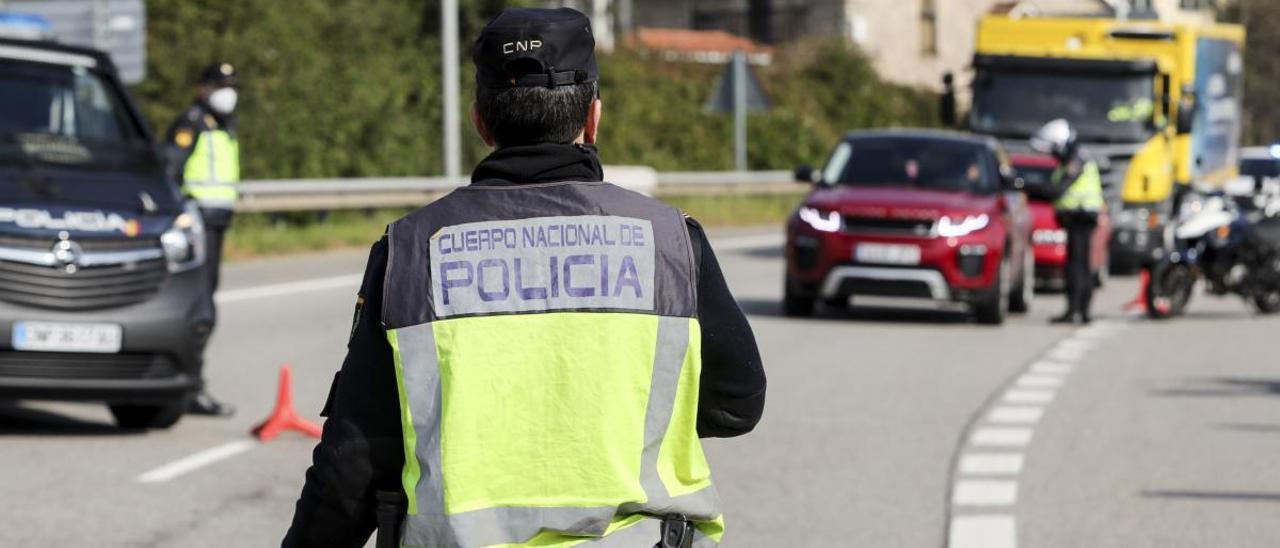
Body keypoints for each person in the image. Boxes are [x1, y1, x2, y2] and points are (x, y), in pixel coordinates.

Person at [283, 8, 766, 548]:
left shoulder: (412, 250)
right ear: (593, 117)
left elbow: (356, 457)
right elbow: (735, 404)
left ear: (480, 122)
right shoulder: (670, 241)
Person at [165, 62, 241, 416]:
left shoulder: (224, 126)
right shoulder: (192, 123)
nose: (227, 92)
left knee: (205, 307)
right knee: (199, 310)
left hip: (217, 224)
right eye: (220, 85)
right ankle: (186, 388)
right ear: (203, 88)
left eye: (230, 85)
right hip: (197, 227)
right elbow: (169, 171)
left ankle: (188, 384)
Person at [1032, 119, 1104, 325]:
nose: (1054, 156)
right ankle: (1080, 310)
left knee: (1077, 265)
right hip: (1079, 216)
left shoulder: (1077, 160)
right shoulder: (1075, 159)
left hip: (1080, 216)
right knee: (1079, 264)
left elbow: (1057, 190)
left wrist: (1027, 187)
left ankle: (1077, 310)